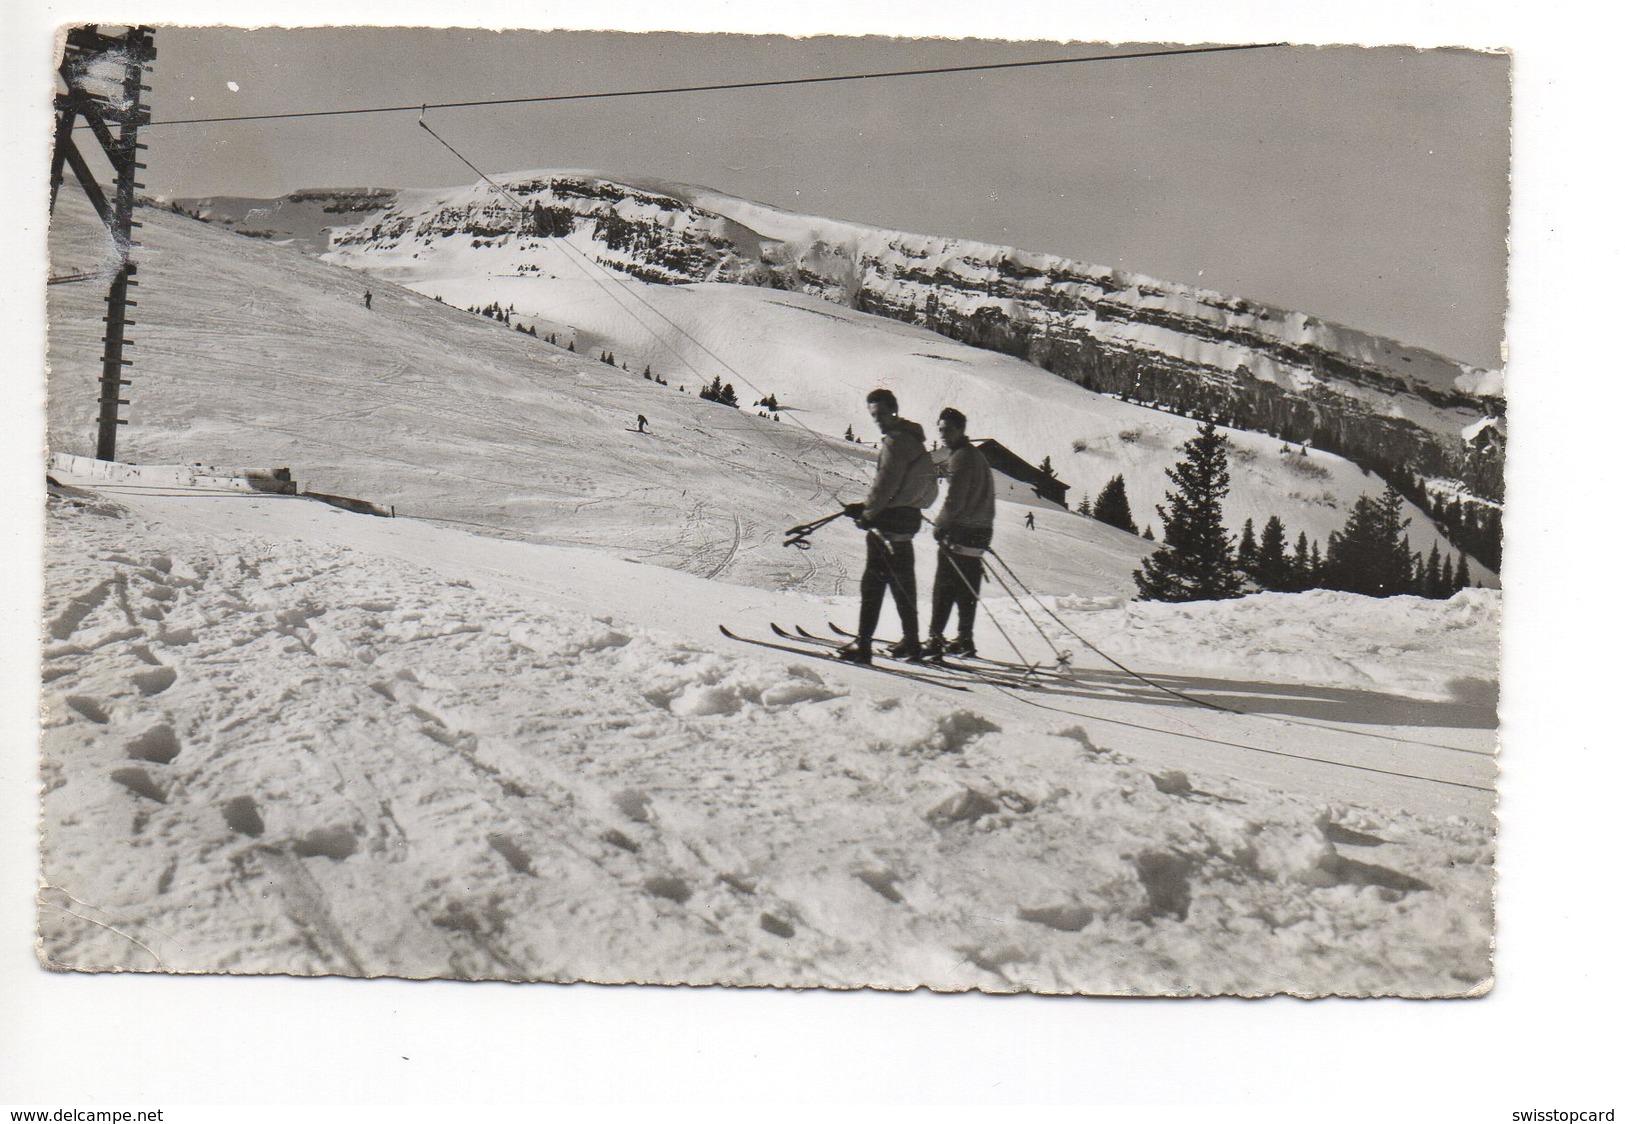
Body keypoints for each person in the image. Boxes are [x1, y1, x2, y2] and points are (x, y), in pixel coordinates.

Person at [838, 388, 938, 664]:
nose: (878, 420)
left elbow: (885, 485)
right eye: (874, 415)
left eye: (882, 414)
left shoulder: (895, 443)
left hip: (887, 527)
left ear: (894, 411)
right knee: (903, 587)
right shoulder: (917, 443)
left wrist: (868, 513)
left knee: (872, 586)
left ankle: (864, 648)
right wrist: (903, 505)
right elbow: (928, 491)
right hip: (907, 524)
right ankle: (912, 644)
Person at [924, 408, 995, 660]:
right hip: (981, 531)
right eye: (940, 429)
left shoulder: (961, 458)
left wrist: (940, 525)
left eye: (948, 429)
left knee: (944, 586)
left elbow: (955, 499)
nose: (943, 434)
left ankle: (934, 638)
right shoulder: (975, 455)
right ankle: (965, 638)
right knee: (967, 587)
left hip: (961, 532)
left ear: (960, 430)